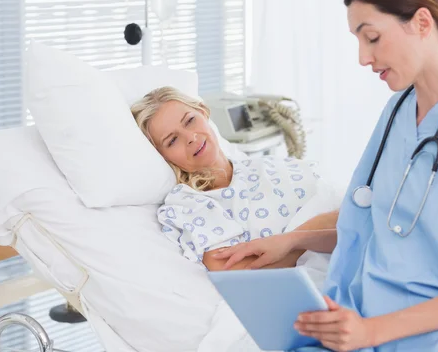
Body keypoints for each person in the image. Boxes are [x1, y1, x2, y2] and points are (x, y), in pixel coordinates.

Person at [214, 0, 438, 351]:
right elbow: (382, 216)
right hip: (357, 322)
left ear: (423, 23)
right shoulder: (398, 112)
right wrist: (292, 242)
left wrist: (372, 332)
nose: (362, 57)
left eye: (371, 37)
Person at [130, 86, 339, 271]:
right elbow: (238, 273)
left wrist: (298, 239)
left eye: (190, 121)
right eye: (172, 140)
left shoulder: (268, 165)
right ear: (162, 156)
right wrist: (310, 233)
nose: (191, 137)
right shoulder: (190, 206)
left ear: (204, 112)